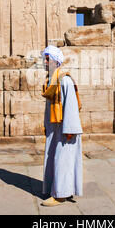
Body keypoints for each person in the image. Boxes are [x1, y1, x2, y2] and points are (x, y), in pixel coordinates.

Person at [41, 45, 83, 207]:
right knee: (54, 158)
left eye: (47, 58)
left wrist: (70, 129)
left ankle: (60, 195)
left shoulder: (64, 80)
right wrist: (46, 125)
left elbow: (71, 107)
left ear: (56, 61)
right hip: (55, 128)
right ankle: (56, 188)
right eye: (44, 58)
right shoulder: (50, 81)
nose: (45, 61)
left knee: (62, 160)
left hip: (66, 129)